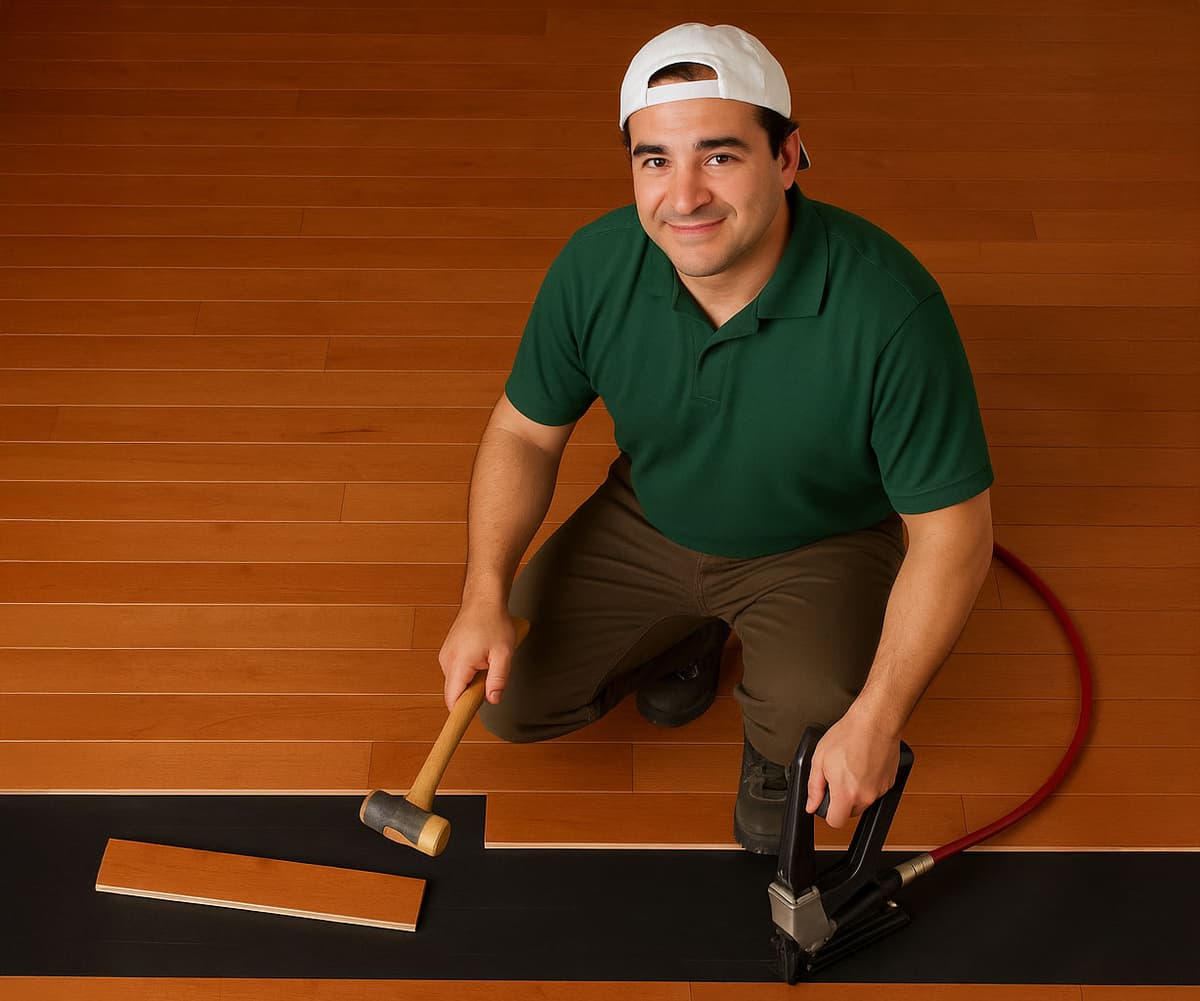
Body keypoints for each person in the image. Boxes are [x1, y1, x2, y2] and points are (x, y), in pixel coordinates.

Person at [438, 23, 995, 853]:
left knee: (809, 740)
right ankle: (694, 627)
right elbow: (523, 433)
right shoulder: (594, 267)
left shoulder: (890, 309)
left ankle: (776, 734)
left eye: (721, 156)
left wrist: (878, 717)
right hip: (651, 516)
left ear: (789, 157)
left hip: (818, 539)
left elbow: (954, 531)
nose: (685, 195)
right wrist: (484, 589)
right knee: (508, 699)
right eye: (655, 160)